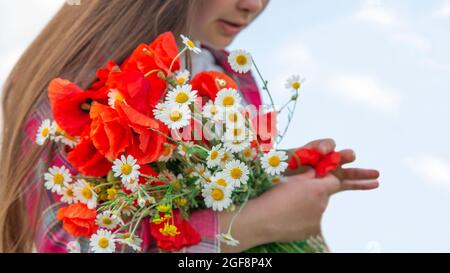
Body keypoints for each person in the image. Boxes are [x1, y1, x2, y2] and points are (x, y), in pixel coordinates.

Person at [0, 0, 379, 253]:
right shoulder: (77, 88)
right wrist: (255, 224)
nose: (254, 4)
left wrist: (279, 174)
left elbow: (219, 186)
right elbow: (77, 246)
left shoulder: (234, 77)